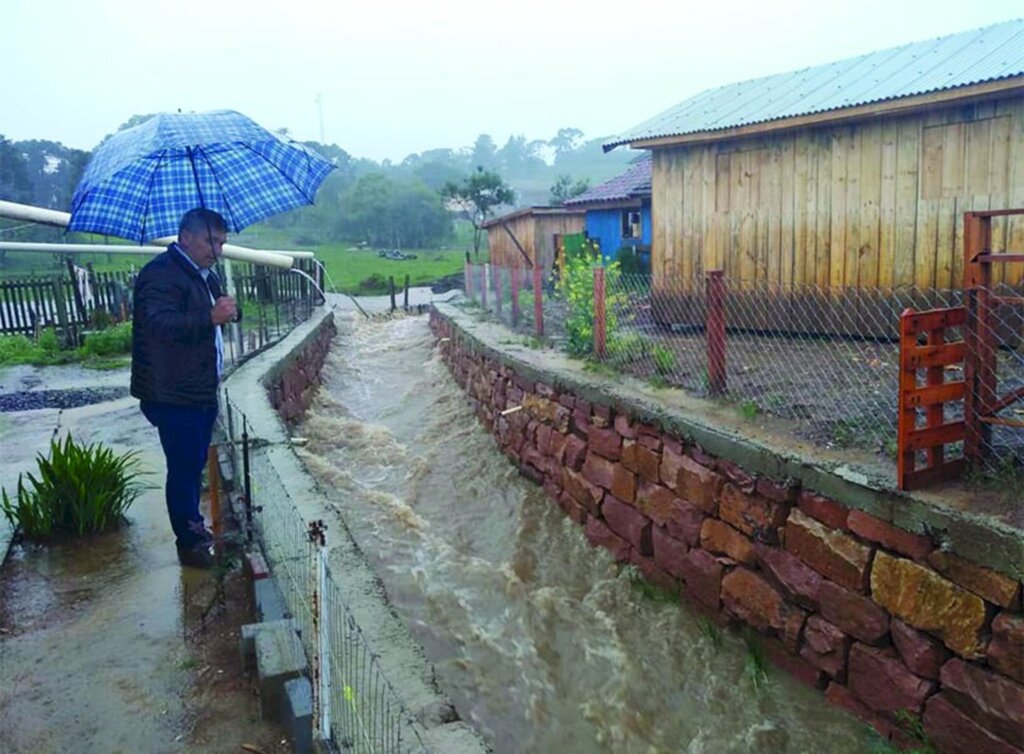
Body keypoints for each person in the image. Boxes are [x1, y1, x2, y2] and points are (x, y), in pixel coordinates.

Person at [131, 208, 238, 568]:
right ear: (185, 237)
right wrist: (209, 317)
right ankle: (190, 541)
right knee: (183, 467)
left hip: (197, 388)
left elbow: (213, 318)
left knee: (191, 464)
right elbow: (158, 325)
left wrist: (226, 311)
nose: (217, 249)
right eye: (210, 240)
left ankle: (193, 528)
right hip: (173, 392)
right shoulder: (160, 274)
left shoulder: (203, 275)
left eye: (222, 242)